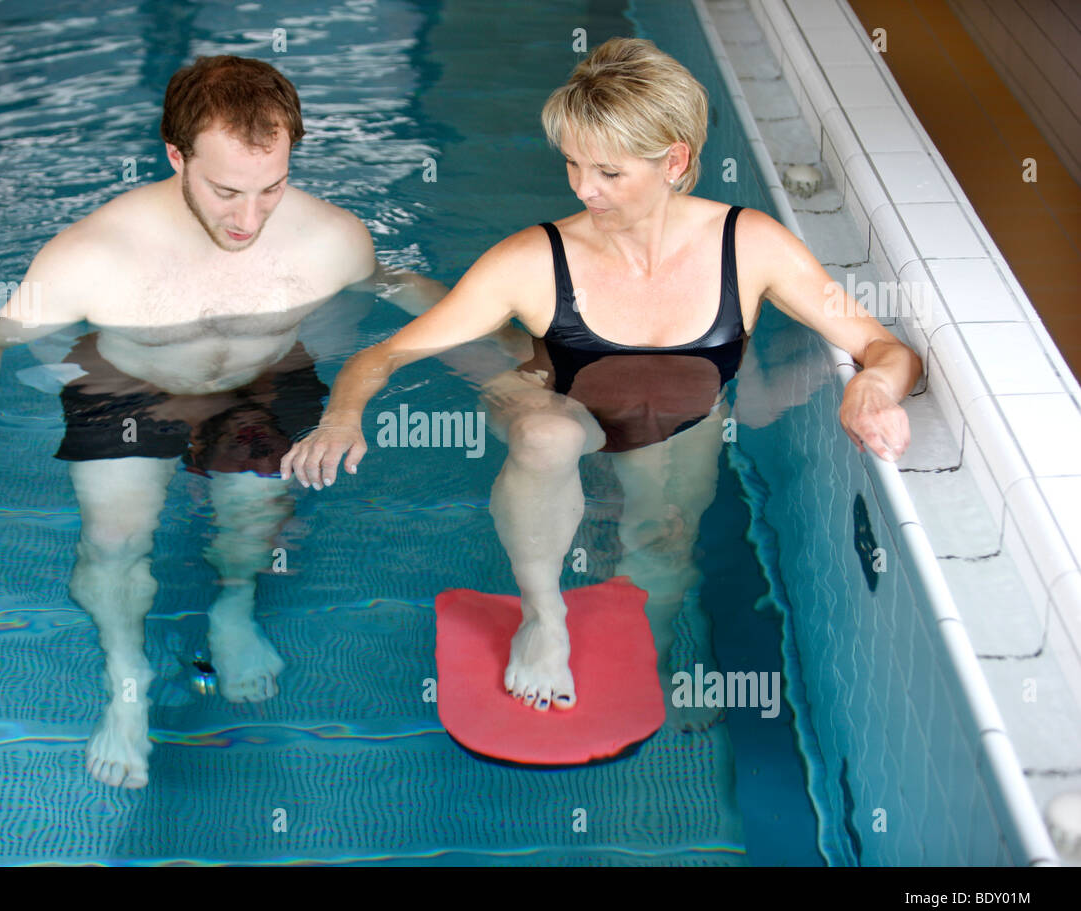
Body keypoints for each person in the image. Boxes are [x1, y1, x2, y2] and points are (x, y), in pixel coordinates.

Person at [281, 37, 921, 721]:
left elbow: (886, 348)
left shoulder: (750, 245)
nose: (584, 189)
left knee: (665, 539)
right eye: (573, 165)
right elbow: (381, 358)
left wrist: (871, 387)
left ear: (674, 161)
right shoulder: (531, 259)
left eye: (608, 173)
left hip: (679, 415)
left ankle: (667, 640)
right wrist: (342, 417)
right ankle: (543, 617)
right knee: (542, 426)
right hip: (550, 389)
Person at [0, 55, 448, 788]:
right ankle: (125, 679)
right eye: (227, 191)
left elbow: (401, 288)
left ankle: (234, 606)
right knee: (112, 536)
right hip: (128, 386)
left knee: (253, 515)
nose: (250, 219)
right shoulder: (95, 254)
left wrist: (513, 365)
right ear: (176, 157)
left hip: (258, 382)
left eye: (273, 188)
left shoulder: (330, 237)